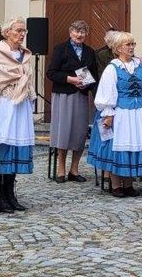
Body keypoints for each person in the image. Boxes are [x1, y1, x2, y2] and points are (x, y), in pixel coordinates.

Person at [0, 17, 36, 213]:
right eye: (18, 30)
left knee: (16, 148)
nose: (21, 34)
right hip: (3, 106)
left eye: (24, 31)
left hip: (19, 106)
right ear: (6, 32)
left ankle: (11, 193)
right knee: (1, 150)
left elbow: (27, 80)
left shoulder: (25, 55)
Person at [89, 31, 142, 197]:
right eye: (128, 44)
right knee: (119, 148)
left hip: (139, 113)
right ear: (118, 48)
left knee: (133, 147)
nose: (132, 47)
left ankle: (128, 184)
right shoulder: (113, 68)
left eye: (133, 44)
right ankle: (116, 185)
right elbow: (107, 92)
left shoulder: (140, 65)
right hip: (121, 113)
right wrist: (108, 115)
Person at [46, 20, 97, 182]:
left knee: (79, 132)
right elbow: (51, 73)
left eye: (82, 32)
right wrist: (70, 79)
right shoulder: (61, 49)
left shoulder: (89, 51)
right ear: (70, 32)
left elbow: (94, 75)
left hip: (81, 95)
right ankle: (61, 168)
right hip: (64, 94)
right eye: (76, 31)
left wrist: (87, 84)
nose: (79, 34)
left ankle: (74, 170)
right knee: (63, 131)